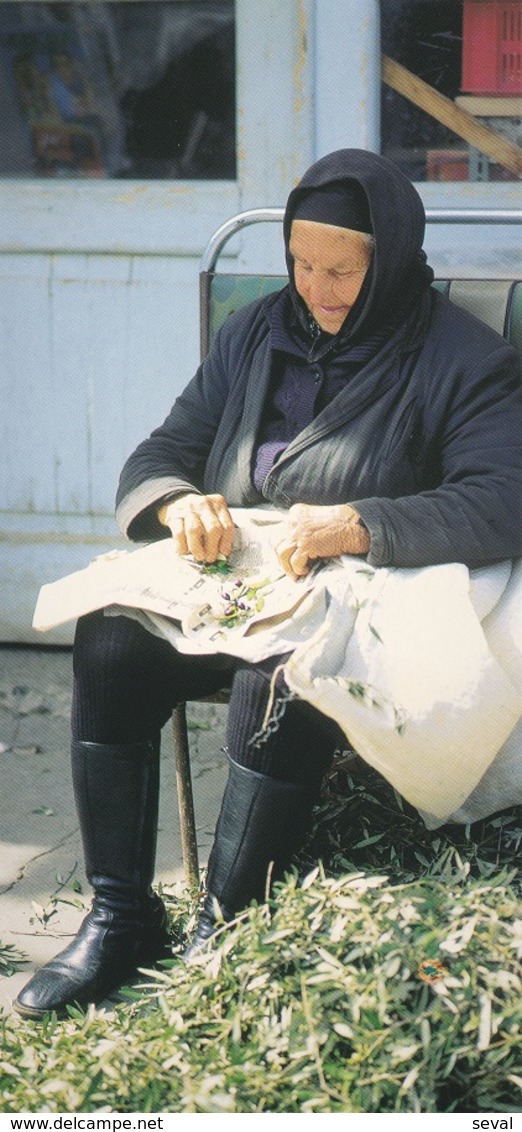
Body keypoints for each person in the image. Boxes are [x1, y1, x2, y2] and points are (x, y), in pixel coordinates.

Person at [15, 148, 522, 1019]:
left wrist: (359, 523)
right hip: (240, 578)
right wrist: (177, 506)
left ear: (391, 261)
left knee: (279, 676)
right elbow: (161, 453)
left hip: (367, 584)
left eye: (343, 272)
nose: (317, 290)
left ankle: (223, 931)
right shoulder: (256, 332)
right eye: (301, 265)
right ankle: (121, 916)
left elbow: (502, 497)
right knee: (109, 640)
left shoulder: (462, 358)